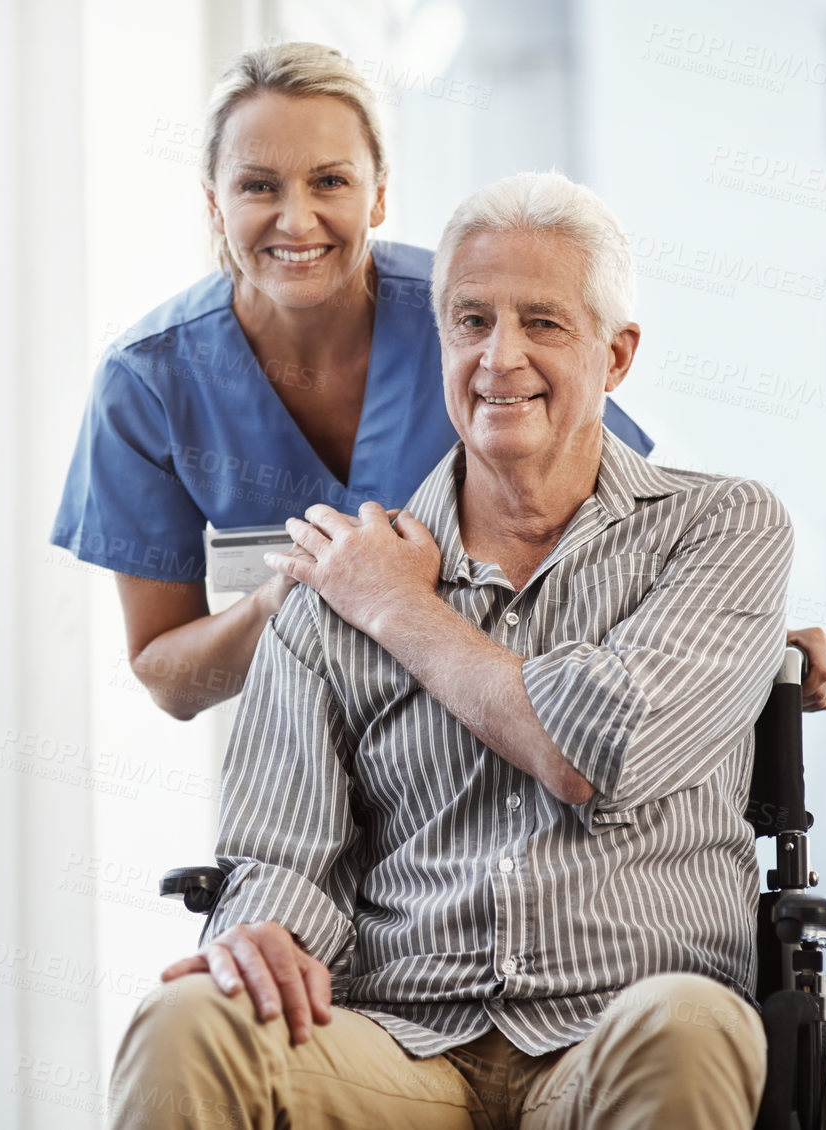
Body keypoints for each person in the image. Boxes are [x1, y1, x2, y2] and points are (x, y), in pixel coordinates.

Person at [109, 172, 786, 1128]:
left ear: (618, 354)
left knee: (686, 1024)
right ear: (441, 344)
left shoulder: (720, 531)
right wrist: (263, 932)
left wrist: (399, 609)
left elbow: (600, 752)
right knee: (187, 1020)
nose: (500, 357)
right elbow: (279, 855)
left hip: (621, 1028)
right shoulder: (330, 586)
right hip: (398, 1047)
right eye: (471, 322)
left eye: (544, 323)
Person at [49, 42, 826, 721]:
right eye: (258, 185)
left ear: (380, 194)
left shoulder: (477, 324)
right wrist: (287, 602)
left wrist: (736, 639)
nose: (296, 220)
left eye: (330, 181)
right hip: (310, 776)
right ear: (214, 206)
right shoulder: (148, 384)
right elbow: (170, 678)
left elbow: (620, 527)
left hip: (502, 736)